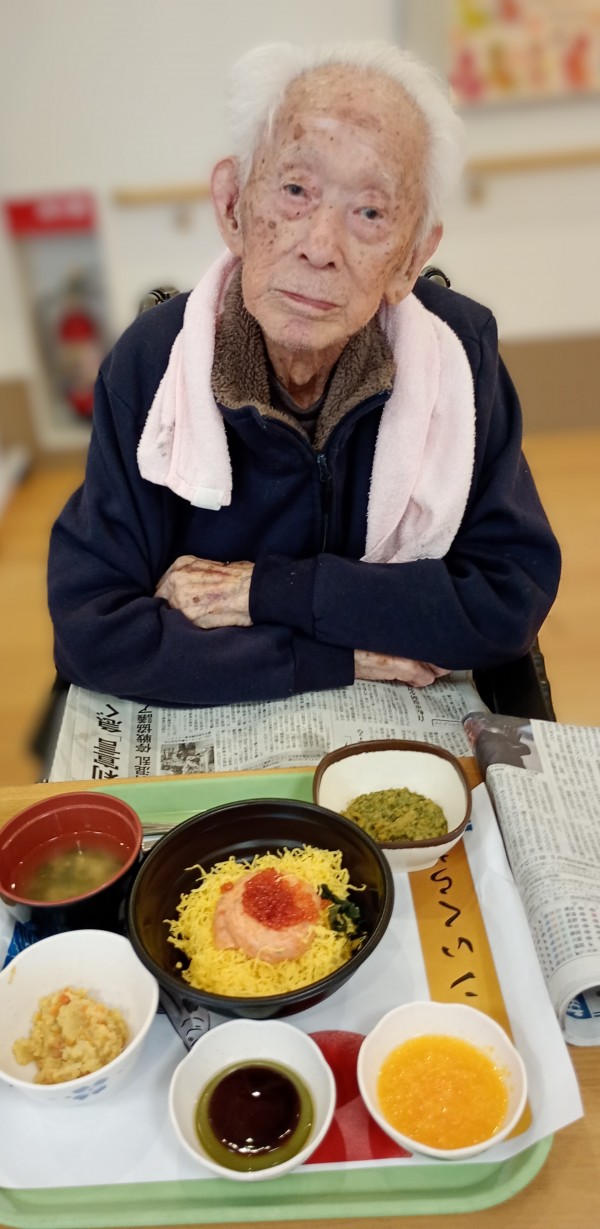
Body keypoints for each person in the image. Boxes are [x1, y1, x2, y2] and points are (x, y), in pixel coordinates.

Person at [47, 41, 560, 708]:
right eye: (295, 191)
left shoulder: (460, 357)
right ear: (234, 207)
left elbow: (508, 598)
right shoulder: (152, 364)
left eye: (370, 212)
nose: (320, 248)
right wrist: (333, 656)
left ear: (411, 258)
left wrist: (262, 592)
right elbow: (92, 631)